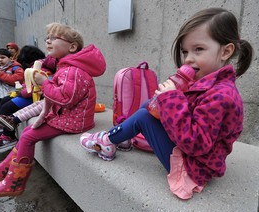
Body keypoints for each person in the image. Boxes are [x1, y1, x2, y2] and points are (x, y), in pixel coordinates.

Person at [80, 8, 253, 200]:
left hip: (194, 167)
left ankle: (106, 142)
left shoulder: (221, 96)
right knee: (150, 105)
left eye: (199, 49)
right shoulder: (210, 84)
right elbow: (189, 115)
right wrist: (170, 99)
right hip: (198, 157)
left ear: (226, 51)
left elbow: (195, 143)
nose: (188, 59)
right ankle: (123, 136)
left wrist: (173, 100)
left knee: (144, 116)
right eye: (185, 51)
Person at [0, 22, 106, 198]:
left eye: (54, 38)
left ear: (72, 47)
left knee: (27, 136)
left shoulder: (73, 71)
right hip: (67, 116)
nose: (48, 41)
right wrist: (43, 111)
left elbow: (65, 99)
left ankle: (14, 184)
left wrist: (45, 83)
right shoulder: (65, 66)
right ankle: (4, 168)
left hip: (74, 121)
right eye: (47, 38)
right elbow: (51, 84)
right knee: (28, 130)